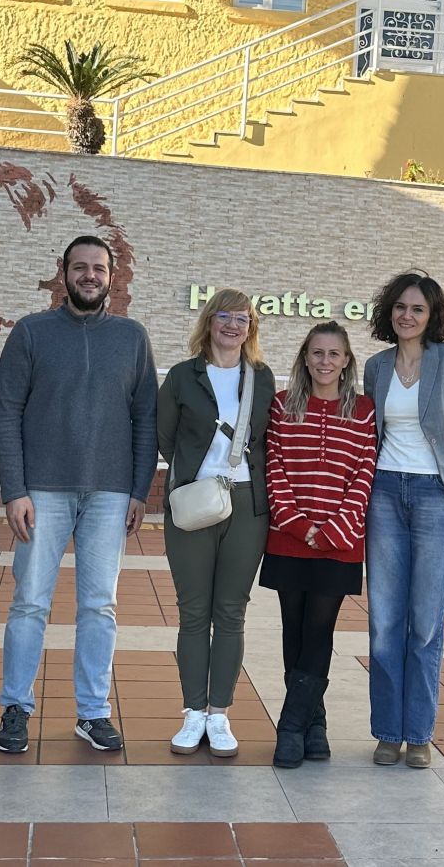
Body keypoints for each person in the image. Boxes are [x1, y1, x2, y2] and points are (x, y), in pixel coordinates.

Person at [0, 234, 158, 755]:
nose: (90, 275)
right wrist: (14, 490)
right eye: (80, 267)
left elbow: (145, 419)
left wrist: (138, 490)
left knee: (100, 606)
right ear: (63, 272)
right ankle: (16, 707)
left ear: (112, 276)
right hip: (41, 491)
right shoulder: (31, 332)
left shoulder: (132, 337)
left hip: (110, 493)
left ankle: (93, 712)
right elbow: (6, 414)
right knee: (29, 602)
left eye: (99, 268)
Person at [362, 272, 444, 769]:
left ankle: (419, 734)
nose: (406, 316)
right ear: (388, 312)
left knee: (427, 623)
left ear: (433, 317)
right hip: (384, 493)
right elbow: (372, 432)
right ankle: (389, 732)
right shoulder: (376, 367)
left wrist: (443, 478)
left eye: (417, 309)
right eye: (400, 307)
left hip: (436, 497)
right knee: (385, 621)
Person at [157, 290, 274, 758]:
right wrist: (198, 475)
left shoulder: (262, 378)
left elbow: (268, 439)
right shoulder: (182, 377)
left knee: (230, 611)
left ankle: (219, 713)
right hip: (192, 502)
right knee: (193, 612)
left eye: (242, 319)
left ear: (251, 328)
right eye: (223, 316)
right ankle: (193, 712)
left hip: (247, 505)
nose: (232, 325)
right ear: (208, 321)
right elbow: (165, 438)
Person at [262, 321, 377, 769]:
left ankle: (291, 727)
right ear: (305, 358)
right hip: (288, 538)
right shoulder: (282, 405)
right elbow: (274, 466)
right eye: (317, 353)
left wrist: (331, 531)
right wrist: (298, 525)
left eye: (333, 354)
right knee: (293, 628)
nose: (325, 361)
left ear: (346, 361)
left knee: (319, 629)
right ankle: (315, 724)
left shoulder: (363, 411)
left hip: (339, 543)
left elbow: (364, 474)